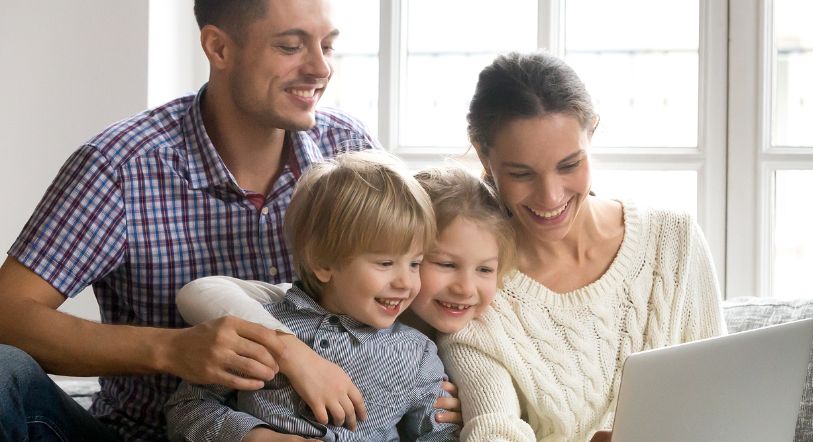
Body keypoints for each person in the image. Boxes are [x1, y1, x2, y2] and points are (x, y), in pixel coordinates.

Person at [0, 0, 381, 439]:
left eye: (327, 46)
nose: (320, 68)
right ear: (218, 48)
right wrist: (171, 349)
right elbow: (8, 314)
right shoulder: (120, 166)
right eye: (290, 46)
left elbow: (422, 275)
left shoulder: (351, 150)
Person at [435, 51, 727, 441]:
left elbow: (724, 396)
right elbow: (495, 428)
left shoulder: (675, 240)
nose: (550, 196)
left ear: (592, 133)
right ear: (484, 156)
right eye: (522, 174)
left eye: (570, 165)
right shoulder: (474, 291)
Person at [165, 152, 458, 441]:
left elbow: (441, 434)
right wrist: (257, 437)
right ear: (323, 263)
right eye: (385, 263)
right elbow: (187, 409)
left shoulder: (417, 354)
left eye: (415, 263)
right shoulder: (260, 326)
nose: (405, 282)